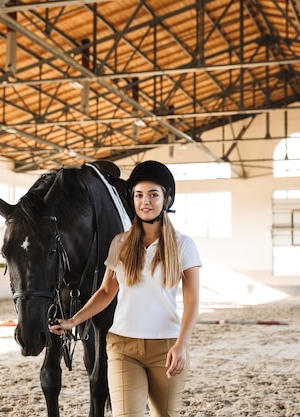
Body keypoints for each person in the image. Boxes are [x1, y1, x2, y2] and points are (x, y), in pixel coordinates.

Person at [49, 160, 201, 417]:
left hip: (166, 346)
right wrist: (73, 321)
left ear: (167, 199)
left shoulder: (183, 245)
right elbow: (107, 291)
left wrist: (182, 345)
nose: (146, 201)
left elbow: (193, 299)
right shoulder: (119, 243)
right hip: (122, 347)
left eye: (154, 194)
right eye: (139, 195)